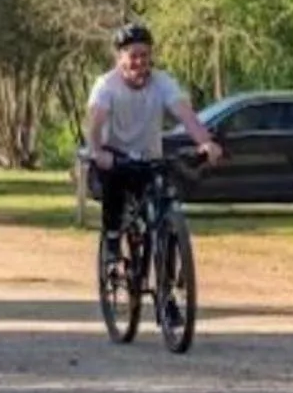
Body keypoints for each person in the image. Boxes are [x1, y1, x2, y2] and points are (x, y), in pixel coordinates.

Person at [84, 21, 224, 261]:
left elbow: (185, 114)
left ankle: (167, 280)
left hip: (149, 157)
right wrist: (97, 151)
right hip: (114, 157)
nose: (139, 63)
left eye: (145, 55)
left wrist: (205, 142)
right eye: (133, 56)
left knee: (162, 205)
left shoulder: (162, 82)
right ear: (120, 58)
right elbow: (95, 122)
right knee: (115, 192)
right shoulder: (106, 85)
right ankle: (113, 241)